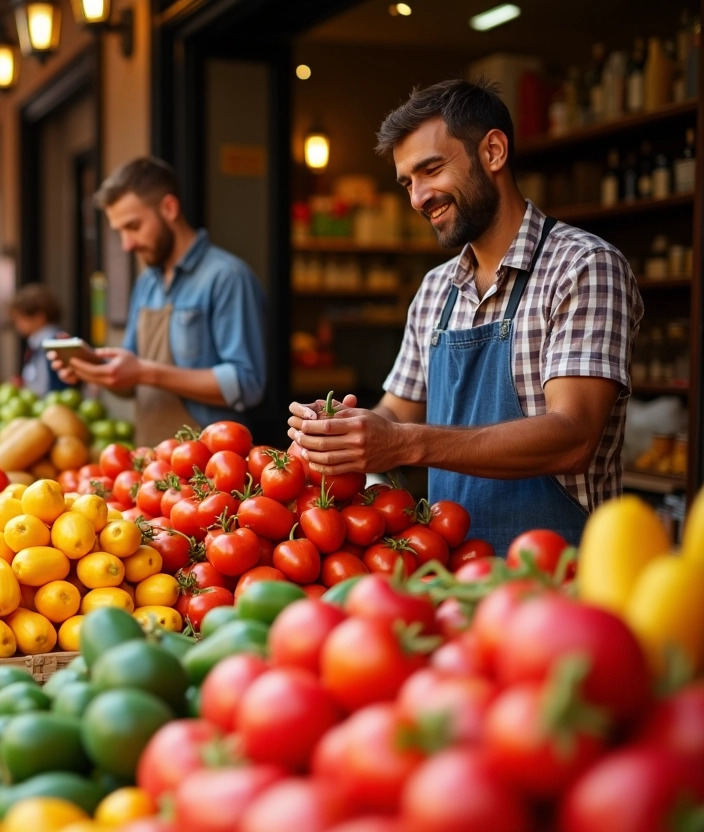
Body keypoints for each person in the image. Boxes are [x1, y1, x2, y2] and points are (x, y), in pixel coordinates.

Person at [289, 79, 642, 555]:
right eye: (408, 183)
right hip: (450, 573)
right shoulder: (437, 288)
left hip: (561, 581)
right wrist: (342, 430)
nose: (417, 198)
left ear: (493, 151)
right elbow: (397, 411)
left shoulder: (583, 267)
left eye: (430, 170)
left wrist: (405, 444)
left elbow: (573, 437)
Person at [51, 156, 267, 446]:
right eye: (120, 232)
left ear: (169, 208)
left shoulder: (227, 277)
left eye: (134, 226)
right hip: (154, 464)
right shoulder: (146, 283)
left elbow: (247, 383)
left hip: (214, 468)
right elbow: (130, 381)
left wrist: (145, 372)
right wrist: (92, 368)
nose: (127, 245)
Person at [8, 283, 72, 397]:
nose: (17, 325)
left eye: (19, 319)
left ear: (39, 318)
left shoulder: (54, 344)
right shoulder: (35, 343)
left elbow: (44, 386)